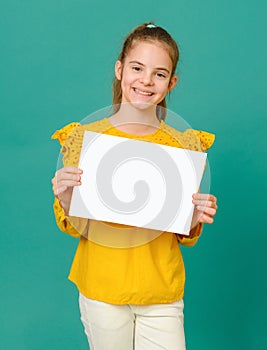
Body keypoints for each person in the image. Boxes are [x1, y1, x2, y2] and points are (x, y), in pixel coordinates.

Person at [51, 22, 218, 350]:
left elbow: (182, 230)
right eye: (137, 68)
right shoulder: (85, 140)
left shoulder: (183, 146)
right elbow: (77, 226)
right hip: (102, 288)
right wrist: (68, 196)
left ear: (171, 83)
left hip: (161, 289)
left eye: (159, 73)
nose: (146, 80)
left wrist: (197, 215)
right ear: (120, 70)